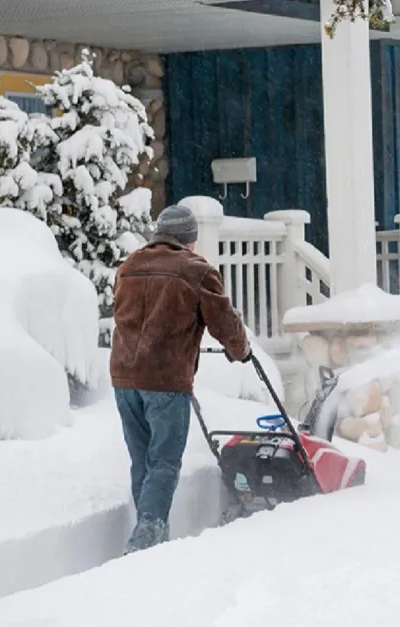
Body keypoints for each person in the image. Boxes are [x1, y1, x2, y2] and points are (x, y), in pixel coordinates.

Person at [109, 204, 251, 554]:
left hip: (124, 378)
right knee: (165, 462)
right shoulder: (196, 271)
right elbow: (225, 322)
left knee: (143, 460)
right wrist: (241, 349)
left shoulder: (129, 266)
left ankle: (153, 538)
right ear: (190, 239)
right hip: (165, 380)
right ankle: (145, 541)